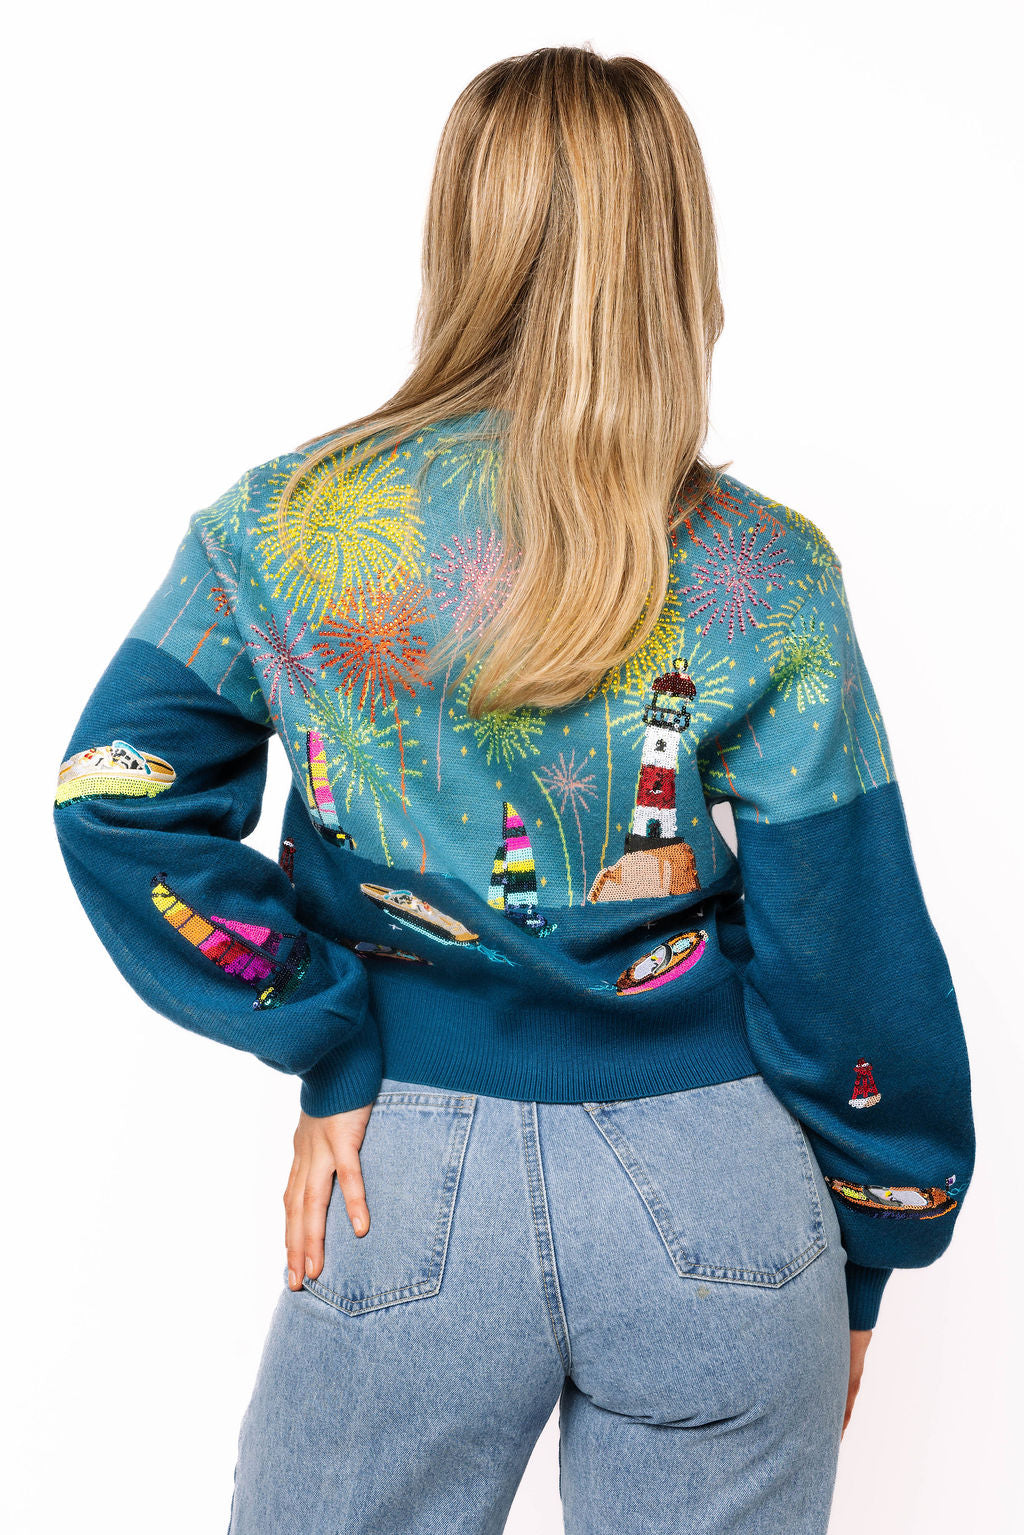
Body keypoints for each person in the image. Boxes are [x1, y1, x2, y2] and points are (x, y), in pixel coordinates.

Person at [52, 44, 975, 1535]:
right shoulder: (767, 571)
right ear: (681, 255)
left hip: (401, 1174)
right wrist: (877, 1239)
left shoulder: (283, 528)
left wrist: (324, 1031)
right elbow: (848, 946)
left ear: (459, 233)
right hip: (725, 1198)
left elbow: (119, 794)